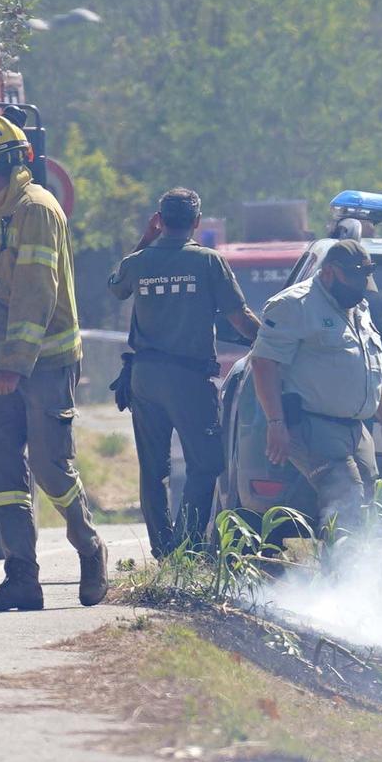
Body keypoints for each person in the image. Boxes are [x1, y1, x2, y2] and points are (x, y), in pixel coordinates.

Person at [0, 114, 107, 612]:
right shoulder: (3, 211)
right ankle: (21, 577)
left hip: (41, 366)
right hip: (3, 366)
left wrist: (15, 364)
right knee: (0, 472)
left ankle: (90, 549)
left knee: (49, 466)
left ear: (4, 163)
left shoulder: (36, 209)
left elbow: (34, 293)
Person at [107, 189, 260, 557]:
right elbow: (240, 320)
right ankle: (187, 547)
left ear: (159, 220)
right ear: (196, 222)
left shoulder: (140, 261)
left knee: (153, 469)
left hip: (143, 378)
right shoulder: (208, 262)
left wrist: (144, 240)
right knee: (205, 464)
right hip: (188, 380)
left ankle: (164, 551)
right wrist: (275, 342)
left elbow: (116, 288)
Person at [248, 237, 382, 529]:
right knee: (348, 499)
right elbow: (263, 363)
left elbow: (370, 368)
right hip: (312, 425)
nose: (358, 290)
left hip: (356, 430)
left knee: (369, 500)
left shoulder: (358, 307)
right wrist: (276, 423)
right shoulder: (295, 305)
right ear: (329, 272)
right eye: (352, 281)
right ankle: (340, 574)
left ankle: (349, 566)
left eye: (362, 282)